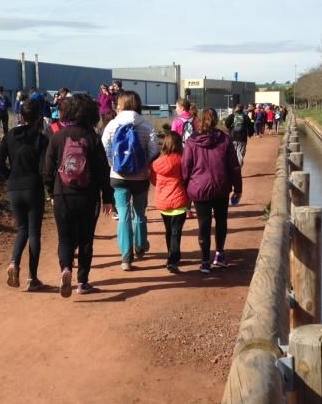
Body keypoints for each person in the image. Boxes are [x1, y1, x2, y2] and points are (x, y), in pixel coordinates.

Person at [43, 94, 114, 296]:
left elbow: (48, 169)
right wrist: (107, 197)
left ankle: (66, 269)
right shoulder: (92, 138)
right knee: (85, 240)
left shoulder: (57, 137)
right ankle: (82, 282)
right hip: (88, 197)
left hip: (62, 195)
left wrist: (51, 192)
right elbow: (103, 170)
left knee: (65, 238)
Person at [0, 97, 50, 291]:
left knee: (22, 229)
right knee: (34, 232)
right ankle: (32, 279)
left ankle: (13, 262)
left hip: (14, 188)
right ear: (39, 117)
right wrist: (48, 188)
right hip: (33, 187)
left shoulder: (10, 135)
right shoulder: (41, 138)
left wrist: (10, 177)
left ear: (21, 115)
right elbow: (45, 167)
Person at [101, 90, 159, 270]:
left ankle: (126, 256)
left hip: (118, 177)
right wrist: (144, 165)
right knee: (139, 213)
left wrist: (114, 164)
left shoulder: (111, 125)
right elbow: (154, 149)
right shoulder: (146, 125)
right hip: (140, 177)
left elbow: (105, 147)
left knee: (124, 214)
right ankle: (140, 246)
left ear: (121, 104)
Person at [181, 108, 242, 273]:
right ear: (215, 121)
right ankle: (219, 254)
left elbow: (186, 167)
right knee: (221, 221)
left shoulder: (192, 141)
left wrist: (185, 186)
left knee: (204, 224)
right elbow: (234, 166)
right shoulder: (225, 139)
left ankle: (205, 261)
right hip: (221, 187)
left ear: (199, 120)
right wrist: (238, 188)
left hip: (199, 188)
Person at [150, 131, 189, 273]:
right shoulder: (182, 160)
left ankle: (171, 255)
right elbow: (187, 178)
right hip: (179, 201)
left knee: (169, 230)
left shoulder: (156, 162)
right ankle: (173, 259)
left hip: (163, 202)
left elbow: (154, 181)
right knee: (176, 231)